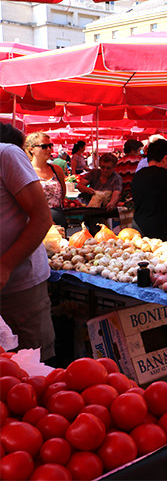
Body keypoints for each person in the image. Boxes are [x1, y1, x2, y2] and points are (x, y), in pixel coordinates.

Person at [0, 124, 56, 361]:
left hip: (19, 288)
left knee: (33, 369)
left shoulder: (6, 155)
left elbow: (43, 218)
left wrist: (5, 266)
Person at [132, 139, 167, 241]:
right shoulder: (164, 174)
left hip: (138, 228)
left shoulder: (138, 175)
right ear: (165, 158)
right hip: (159, 232)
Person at [23, 132, 67, 228]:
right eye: (44, 146)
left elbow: (62, 194)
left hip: (58, 219)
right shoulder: (26, 170)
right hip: (36, 221)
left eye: (50, 146)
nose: (48, 149)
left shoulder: (56, 170)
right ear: (31, 149)